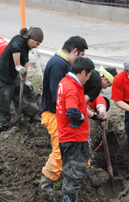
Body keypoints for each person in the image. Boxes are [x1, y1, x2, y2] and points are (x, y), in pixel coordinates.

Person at [40, 36, 89, 192]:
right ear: (75, 51)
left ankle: (77, 179)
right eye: (80, 56)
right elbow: (58, 97)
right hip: (55, 114)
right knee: (59, 150)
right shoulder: (58, 66)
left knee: (72, 148)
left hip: (61, 114)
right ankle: (46, 184)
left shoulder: (60, 63)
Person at [0, 27, 43, 131]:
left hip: (14, 77)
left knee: (26, 92)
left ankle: (33, 115)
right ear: (31, 40)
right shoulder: (18, 40)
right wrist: (17, 66)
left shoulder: (27, 47)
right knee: (3, 101)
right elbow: (15, 49)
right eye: (37, 44)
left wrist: (25, 80)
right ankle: (1, 125)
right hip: (1, 77)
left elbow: (25, 62)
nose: (36, 47)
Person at [56, 57, 95, 202]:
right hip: (74, 139)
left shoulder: (64, 82)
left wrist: (93, 115)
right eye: (89, 76)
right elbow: (72, 112)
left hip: (66, 136)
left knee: (69, 173)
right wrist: (83, 118)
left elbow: (78, 106)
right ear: (83, 72)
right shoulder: (72, 87)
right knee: (74, 175)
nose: (88, 79)